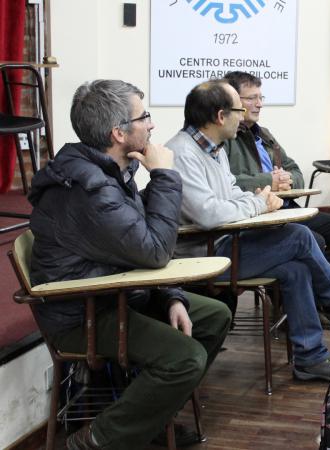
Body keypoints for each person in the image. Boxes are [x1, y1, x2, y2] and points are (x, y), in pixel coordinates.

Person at [27, 79, 231, 450]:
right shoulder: (90, 190)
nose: (152, 124)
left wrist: (171, 297)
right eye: (144, 116)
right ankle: (96, 439)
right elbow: (155, 251)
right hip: (81, 312)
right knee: (185, 359)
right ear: (118, 133)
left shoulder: (109, 172)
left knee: (214, 316)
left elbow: (139, 246)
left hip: (115, 292)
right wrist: (165, 175)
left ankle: (147, 418)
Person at [166, 80, 330, 382]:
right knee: (299, 236)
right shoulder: (181, 153)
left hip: (225, 243)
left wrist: (260, 200)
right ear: (220, 116)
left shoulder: (214, 150)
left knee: (295, 269)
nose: (244, 115)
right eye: (239, 110)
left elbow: (231, 192)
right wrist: (258, 203)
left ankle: (310, 358)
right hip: (203, 255)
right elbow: (208, 213)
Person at [221, 71, 330, 330]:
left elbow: (295, 170)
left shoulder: (264, 134)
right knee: (313, 239)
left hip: (285, 207)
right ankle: (298, 308)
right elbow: (226, 183)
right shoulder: (226, 139)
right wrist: (268, 181)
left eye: (261, 97)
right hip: (257, 214)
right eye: (251, 98)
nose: (259, 104)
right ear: (232, 102)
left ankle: (322, 303)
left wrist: (287, 180)